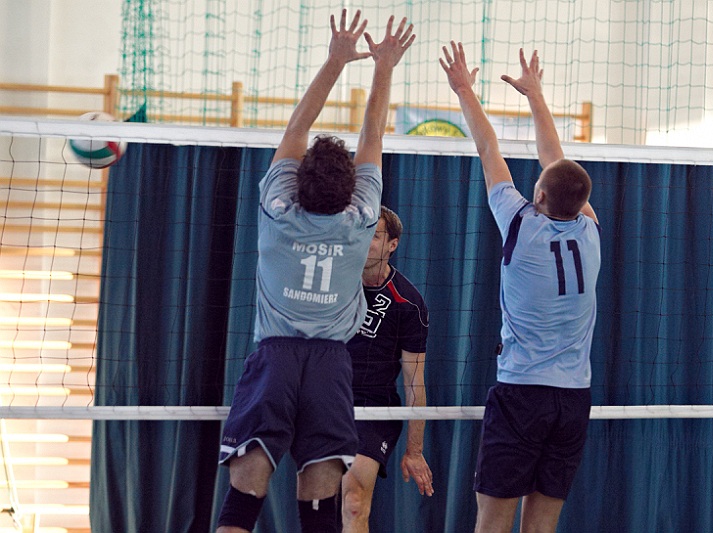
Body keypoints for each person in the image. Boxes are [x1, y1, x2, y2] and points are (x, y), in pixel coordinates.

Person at [216, 10, 415, 533]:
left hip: (275, 358)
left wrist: (335, 60)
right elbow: (372, 135)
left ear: (298, 181)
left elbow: (296, 128)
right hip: (331, 365)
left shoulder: (278, 211)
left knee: (242, 501)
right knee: (322, 512)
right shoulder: (360, 220)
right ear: (351, 191)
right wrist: (384, 67)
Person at [440, 42, 601, 533]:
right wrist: (536, 97)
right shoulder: (591, 230)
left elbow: (489, 149)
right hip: (572, 400)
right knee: (542, 524)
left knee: (492, 521)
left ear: (540, 194)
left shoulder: (519, 223)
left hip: (522, 394)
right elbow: (556, 161)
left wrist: (464, 89)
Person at [341, 206, 434, 533]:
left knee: (353, 501)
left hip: (373, 408)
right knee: (318, 503)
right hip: (326, 402)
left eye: (375, 235)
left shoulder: (408, 303)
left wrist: (415, 451)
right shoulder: (332, 284)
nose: (365, 241)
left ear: (392, 244)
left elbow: (414, 381)